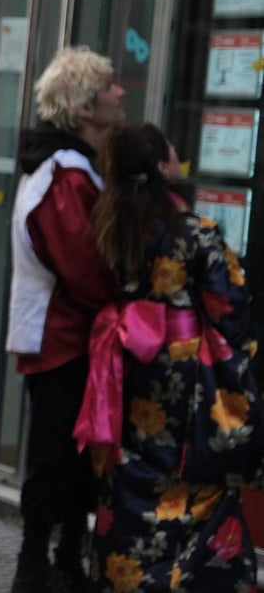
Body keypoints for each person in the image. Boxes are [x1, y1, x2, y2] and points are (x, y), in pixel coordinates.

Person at [75, 123, 263, 591]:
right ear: (162, 166)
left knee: (131, 472)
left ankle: (126, 576)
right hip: (185, 377)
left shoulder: (108, 229)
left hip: (124, 370)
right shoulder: (197, 234)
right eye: (172, 150)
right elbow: (230, 309)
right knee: (191, 474)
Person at [5, 46, 126, 592]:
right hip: (63, 339)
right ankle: (36, 567)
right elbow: (84, 266)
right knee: (56, 459)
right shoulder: (66, 175)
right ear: (86, 107)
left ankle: (64, 563)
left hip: (72, 336)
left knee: (74, 462)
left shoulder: (71, 168)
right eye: (109, 86)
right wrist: (128, 290)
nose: (120, 93)